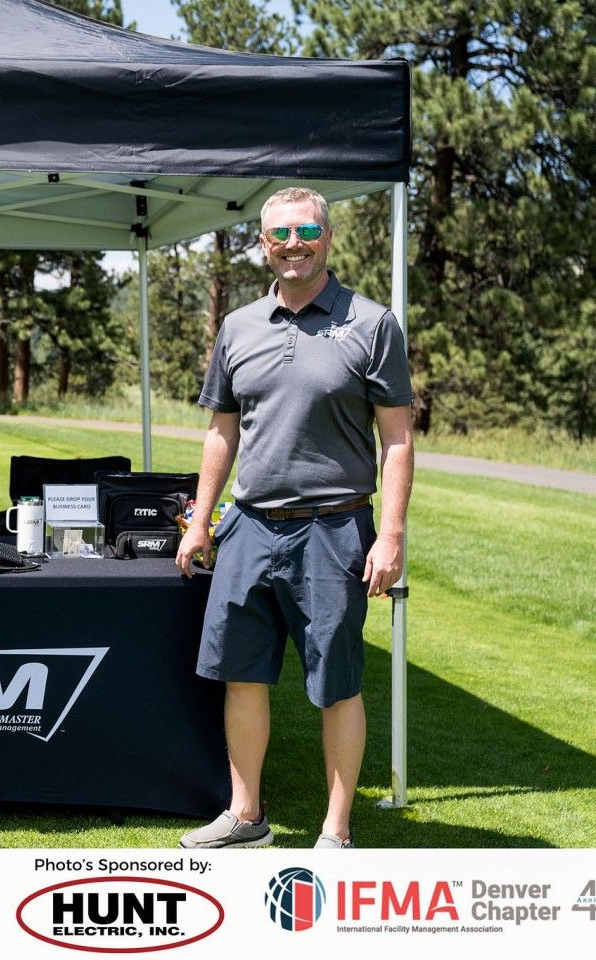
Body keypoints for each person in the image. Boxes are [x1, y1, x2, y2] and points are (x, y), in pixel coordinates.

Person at [175, 187, 414, 850]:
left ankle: (336, 832)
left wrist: (390, 536)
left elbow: (397, 439)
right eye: (279, 233)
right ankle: (246, 816)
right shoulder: (239, 328)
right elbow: (222, 431)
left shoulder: (371, 324)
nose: (293, 243)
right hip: (248, 526)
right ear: (263, 243)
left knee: (336, 682)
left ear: (328, 237)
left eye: (306, 229)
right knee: (242, 674)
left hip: (334, 530)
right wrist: (201, 521)